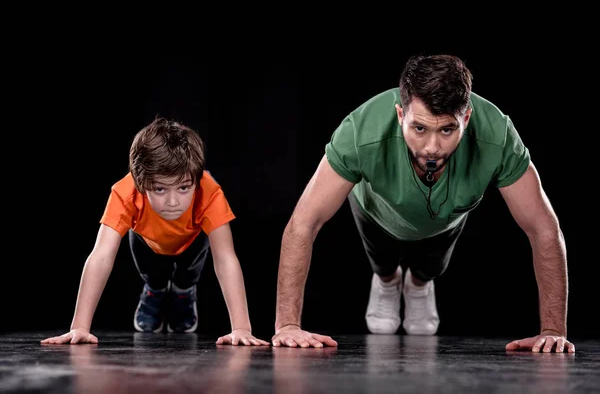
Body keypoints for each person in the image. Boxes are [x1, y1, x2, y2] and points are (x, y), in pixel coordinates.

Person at [271, 54, 575, 353]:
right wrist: (287, 326)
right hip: (377, 210)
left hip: (446, 218)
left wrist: (553, 331)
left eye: (447, 130)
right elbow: (303, 223)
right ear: (401, 115)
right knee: (383, 261)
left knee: (430, 265)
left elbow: (544, 230)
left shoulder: (498, 136)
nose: (432, 147)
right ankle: (388, 281)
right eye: (419, 128)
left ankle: (418, 284)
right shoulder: (360, 131)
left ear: (466, 118)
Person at [41, 117, 270, 346]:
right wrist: (79, 327)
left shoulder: (209, 192)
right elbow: (101, 255)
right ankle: (154, 290)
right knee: (154, 275)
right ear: (141, 184)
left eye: (183, 188)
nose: (173, 201)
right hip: (147, 241)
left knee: (187, 272)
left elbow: (225, 258)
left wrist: (241, 328)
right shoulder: (125, 192)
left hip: (192, 241)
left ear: (196, 181)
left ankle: (183, 290)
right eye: (160, 189)